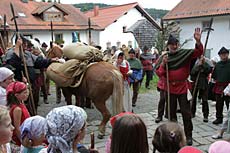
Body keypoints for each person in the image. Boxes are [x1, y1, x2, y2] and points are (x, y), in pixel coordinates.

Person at [155, 28, 204, 145]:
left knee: (186, 113)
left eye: (176, 44)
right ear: (168, 46)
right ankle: (174, 134)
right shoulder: (164, 57)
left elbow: (198, 52)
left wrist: (198, 41)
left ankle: (188, 136)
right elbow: (158, 73)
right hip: (169, 88)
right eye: (171, 45)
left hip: (182, 87)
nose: (174, 46)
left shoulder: (184, 53)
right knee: (171, 113)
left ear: (178, 44)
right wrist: (163, 64)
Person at [6, 81, 30, 150]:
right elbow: (17, 128)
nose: (27, 94)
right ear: (17, 95)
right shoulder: (17, 109)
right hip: (20, 138)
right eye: (24, 93)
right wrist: (23, 142)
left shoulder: (21, 103)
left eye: (27, 91)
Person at [190, 55, 212, 122]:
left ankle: (205, 115)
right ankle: (192, 113)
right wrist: (198, 66)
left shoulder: (207, 61)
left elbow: (209, 70)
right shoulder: (194, 61)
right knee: (193, 98)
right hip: (195, 82)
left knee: (204, 99)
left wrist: (203, 64)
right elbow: (192, 72)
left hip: (203, 82)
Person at [212, 47, 230, 124]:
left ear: (228, 54)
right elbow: (214, 76)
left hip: (229, 87)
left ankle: (229, 120)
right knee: (219, 104)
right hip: (219, 87)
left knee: (229, 104)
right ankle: (219, 118)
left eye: (225, 54)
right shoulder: (218, 65)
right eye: (222, 55)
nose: (224, 56)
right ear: (219, 56)